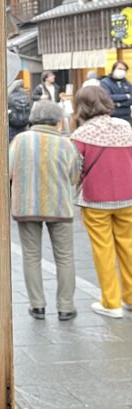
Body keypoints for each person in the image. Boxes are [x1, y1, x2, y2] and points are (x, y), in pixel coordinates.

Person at [9, 100, 82, 320]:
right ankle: (66, 307)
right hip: (59, 207)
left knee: (31, 256)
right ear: (58, 120)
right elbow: (74, 177)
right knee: (65, 257)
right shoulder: (66, 144)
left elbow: (8, 170)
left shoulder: (20, 140)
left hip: (26, 206)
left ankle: (37, 305)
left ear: (33, 118)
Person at [72, 86, 132, 318]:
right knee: (128, 247)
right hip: (128, 197)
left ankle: (111, 302)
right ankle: (130, 297)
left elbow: (75, 171)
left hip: (96, 200)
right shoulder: (125, 127)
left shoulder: (81, 135)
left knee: (103, 250)